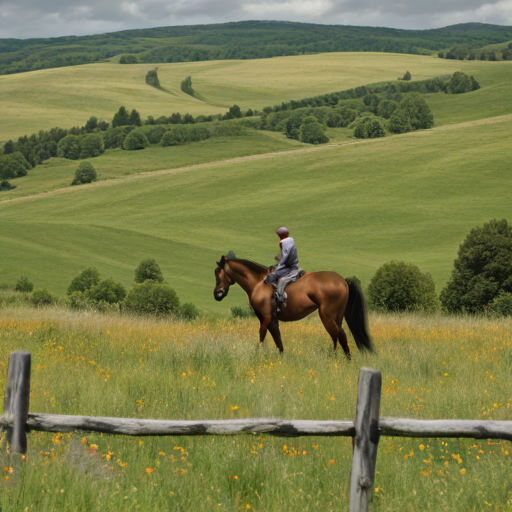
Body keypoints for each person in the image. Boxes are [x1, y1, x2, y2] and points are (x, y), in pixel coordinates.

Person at [265, 227, 299, 306]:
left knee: (273, 277)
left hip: (289, 267)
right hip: (293, 265)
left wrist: (279, 267)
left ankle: (280, 298)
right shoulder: (291, 240)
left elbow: (285, 257)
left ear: (279, 235)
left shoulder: (283, 242)